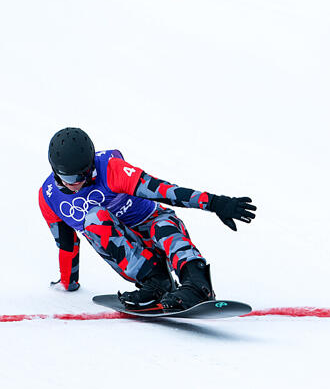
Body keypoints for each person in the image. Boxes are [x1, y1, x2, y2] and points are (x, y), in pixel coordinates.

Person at [38, 127, 257, 309]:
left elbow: (163, 190)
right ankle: (155, 281)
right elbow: (67, 244)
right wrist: (68, 284)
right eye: (68, 177)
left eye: (83, 174)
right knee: (94, 218)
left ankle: (197, 284)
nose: (76, 182)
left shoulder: (111, 168)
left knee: (163, 226)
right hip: (129, 252)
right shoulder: (49, 197)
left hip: (153, 224)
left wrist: (214, 202)